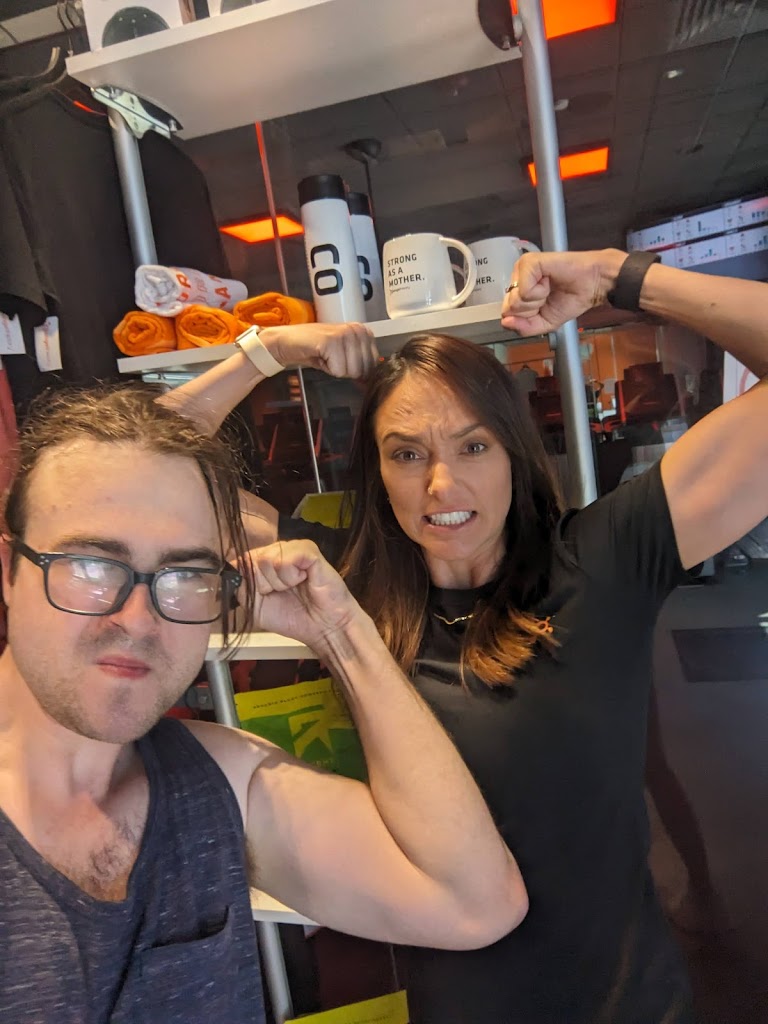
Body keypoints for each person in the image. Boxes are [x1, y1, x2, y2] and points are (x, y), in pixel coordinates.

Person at [166, 250, 768, 1024]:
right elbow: (142, 474)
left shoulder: (605, 558)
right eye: (406, 454)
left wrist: (618, 276)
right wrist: (269, 351)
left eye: (473, 446)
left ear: (514, 452)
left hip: (628, 1006)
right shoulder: (348, 589)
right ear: (378, 471)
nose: (441, 486)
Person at [0, 378, 529, 1023]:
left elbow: (475, 904)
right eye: (90, 567)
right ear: (8, 572)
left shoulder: (219, 780)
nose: (138, 620)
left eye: (185, 575)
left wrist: (342, 633)